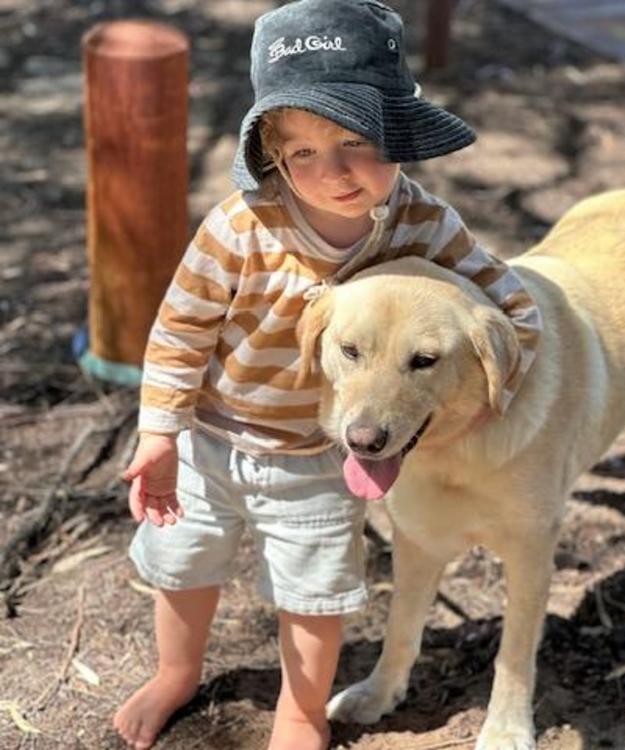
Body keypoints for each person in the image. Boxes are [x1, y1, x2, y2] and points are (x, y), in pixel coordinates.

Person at [113, 1, 542, 748]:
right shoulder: (238, 228)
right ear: (273, 156)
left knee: (314, 593)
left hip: (320, 453)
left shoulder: (426, 225)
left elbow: (515, 312)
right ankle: (175, 673)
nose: (333, 172)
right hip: (210, 440)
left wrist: (485, 399)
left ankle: (301, 712)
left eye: (355, 141)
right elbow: (180, 333)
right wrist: (159, 434)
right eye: (303, 153)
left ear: (399, 134)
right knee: (182, 567)